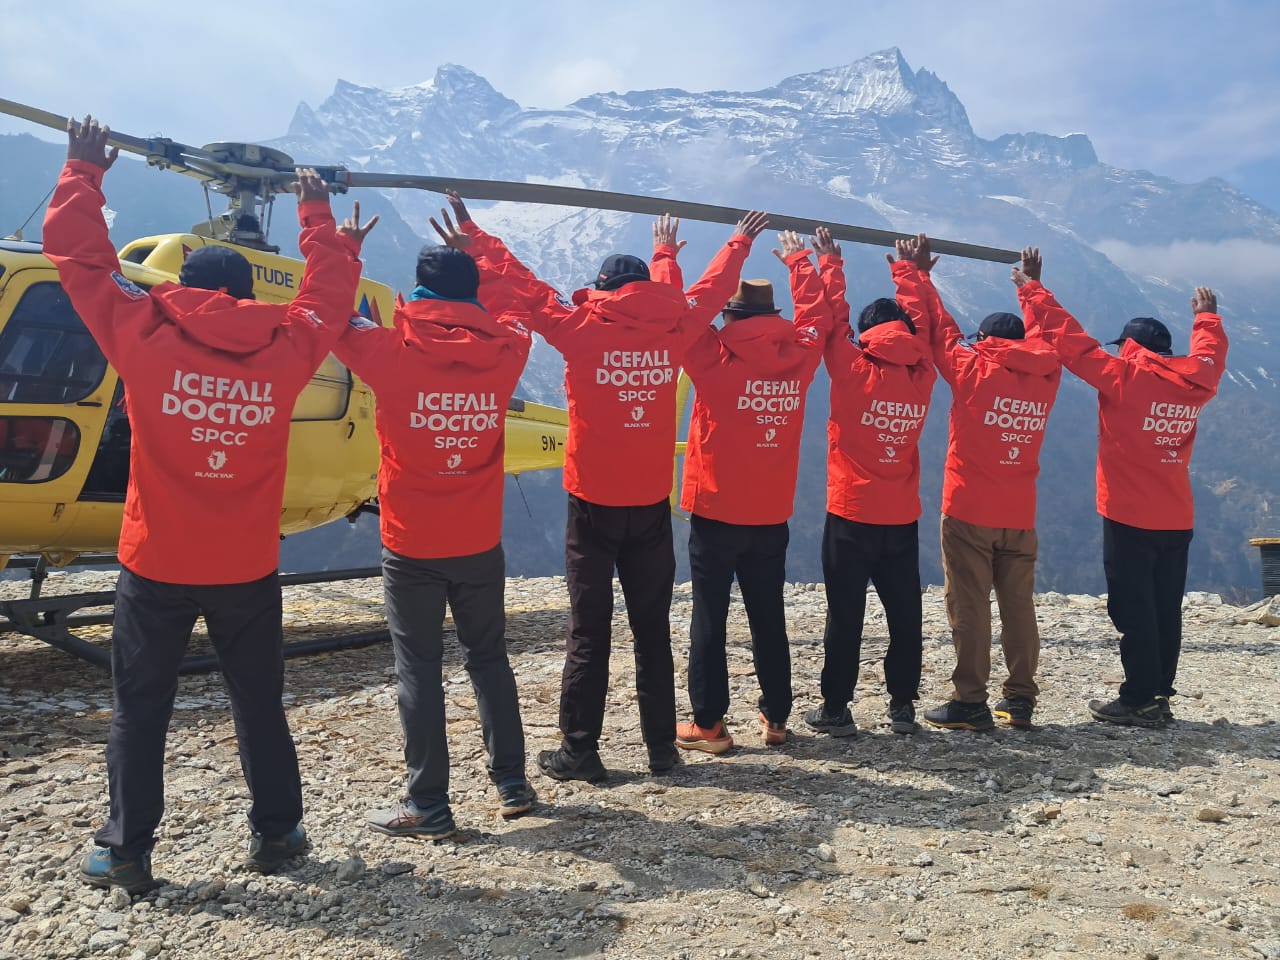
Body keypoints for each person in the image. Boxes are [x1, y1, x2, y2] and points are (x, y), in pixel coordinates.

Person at [42, 116, 373, 892]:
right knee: (258, 702)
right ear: (250, 291)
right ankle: (279, 832)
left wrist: (82, 173)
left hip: (155, 565)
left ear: (186, 288)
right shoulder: (288, 347)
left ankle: (126, 851)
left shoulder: (140, 333)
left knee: (140, 708)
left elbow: (80, 261)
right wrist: (319, 222)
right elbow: (329, 298)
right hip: (245, 566)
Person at [448, 193, 766, 781]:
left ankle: (581, 751)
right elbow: (715, 290)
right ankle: (661, 750)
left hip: (591, 504)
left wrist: (473, 238)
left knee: (588, 631)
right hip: (649, 505)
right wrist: (735, 242)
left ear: (601, 288)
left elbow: (522, 286)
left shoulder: (578, 327)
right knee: (651, 630)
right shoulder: (676, 324)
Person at [330, 215, 536, 839]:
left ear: (414, 293)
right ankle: (512, 783)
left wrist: (341, 245)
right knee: (489, 659)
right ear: (472, 292)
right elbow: (517, 303)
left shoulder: (388, 350)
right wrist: (482, 253)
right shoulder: (507, 349)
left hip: (412, 541)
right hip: (478, 538)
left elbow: (333, 313)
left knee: (418, 668)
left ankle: (430, 805)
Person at [1014, 250, 1227, 726]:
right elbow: (1211, 357)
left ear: (1130, 347)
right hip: (1177, 516)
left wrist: (1032, 289)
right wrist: (1207, 320)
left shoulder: (1123, 377)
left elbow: (1072, 344)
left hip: (1130, 516)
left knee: (1133, 610)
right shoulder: (1198, 382)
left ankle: (1139, 699)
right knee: (1165, 609)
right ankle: (1160, 693)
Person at [649, 220, 830, 753]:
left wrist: (670, 255)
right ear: (772, 316)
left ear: (730, 317)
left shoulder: (714, 357)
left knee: (711, 616)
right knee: (767, 614)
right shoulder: (799, 357)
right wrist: (802, 264)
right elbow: (818, 319)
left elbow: (678, 313)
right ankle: (775, 717)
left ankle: (709, 725)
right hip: (771, 512)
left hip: (716, 508)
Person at [902, 239, 1062, 732]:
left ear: (986, 341)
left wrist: (918, 275)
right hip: (1020, 513)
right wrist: (1032, 288)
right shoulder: (1048, 372)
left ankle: (970, 699)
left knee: (969, 604)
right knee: (1018, 607)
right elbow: (1043, 338)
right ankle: (1019, 700)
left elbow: (939, 329)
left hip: (969, 508)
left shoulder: (972, 368)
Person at [806, 232, 938, 738]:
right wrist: (911, 271)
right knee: (905, 612)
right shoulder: (922, 370)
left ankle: (836, 709)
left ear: (866, 334)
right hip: (901, 514)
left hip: (851, 511)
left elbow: (831, 322)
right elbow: (921, 325)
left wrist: (830, 262)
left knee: (846, 615)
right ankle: (902, 705)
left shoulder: (850, 365)